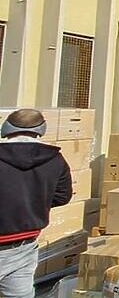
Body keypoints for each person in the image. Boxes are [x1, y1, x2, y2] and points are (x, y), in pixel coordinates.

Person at [0, 109, 72, 298]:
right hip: (24, 246)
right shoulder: (55, 160)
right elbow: (63, 196)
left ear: (6, 128)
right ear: (41, 129)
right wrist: (34, 203)